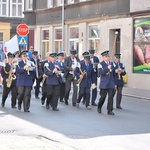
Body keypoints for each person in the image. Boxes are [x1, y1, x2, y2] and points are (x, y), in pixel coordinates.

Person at [97, 50, 116, 115]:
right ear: (103, 57)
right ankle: (99, 106)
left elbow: (114, 74)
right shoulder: (100, 64)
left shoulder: (111, 63)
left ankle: (109, 110)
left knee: (111, 97)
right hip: (104, 83)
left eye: (108, 56)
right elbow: (100, 73)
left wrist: (115, 84)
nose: (107, 57)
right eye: (106, 56)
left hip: (111, 83)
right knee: (103, 97)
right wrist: (107, 68)